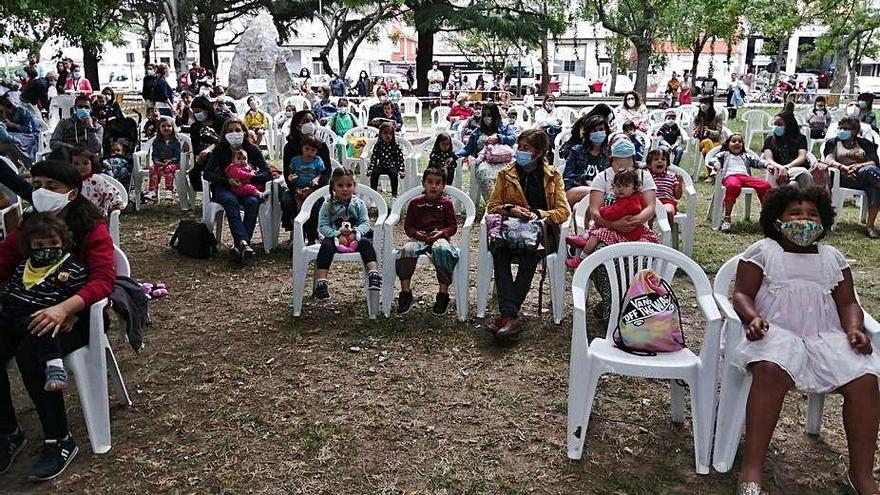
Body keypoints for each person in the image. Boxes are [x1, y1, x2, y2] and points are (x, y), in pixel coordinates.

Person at [729, 186, 880, 495]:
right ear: (777, 221)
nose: (804, 220)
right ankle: (752, 468)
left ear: (823, 222)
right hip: (775, 332)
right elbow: (742, 292)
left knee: (864, 379)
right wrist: (752, 316)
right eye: (795, 214)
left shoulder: (831, 258)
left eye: (812, 214)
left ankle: (861, 473)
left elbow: (848, 303)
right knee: (770, 370)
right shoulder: (763, 251)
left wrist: (854, 329)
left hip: (823, 337)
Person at [0, 160, 115, 481]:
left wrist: (66, 309)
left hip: (79, 318)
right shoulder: (29, 227)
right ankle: (8, 431)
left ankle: (59, 440)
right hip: (27, 311)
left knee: (29, 350)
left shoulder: (92, 228)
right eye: (36, 185)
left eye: (52, 187)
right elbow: (3, 262)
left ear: (72, 194)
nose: (42, 192)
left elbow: (104, 279)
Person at [484, 128, 570, 337]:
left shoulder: (553, 177)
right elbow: (493, 205)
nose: (520, 152)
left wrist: (537, 213)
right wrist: (510, 209)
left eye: (526, 148)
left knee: (530, 253)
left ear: (539, 152)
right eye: (519, 147)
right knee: (499, 250)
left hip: (540, 233)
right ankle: (511, 315)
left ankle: (507, 314)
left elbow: (563, 211)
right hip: (509, 231)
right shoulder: (506, 174)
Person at [0, 212, 89, 394]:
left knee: (43, 326)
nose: (46, 249)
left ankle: (55, 366)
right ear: (29, 245)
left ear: (63, 242)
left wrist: (74, 315)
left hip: (43, 313)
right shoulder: (24, 266)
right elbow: (12, 289)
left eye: (53, 243)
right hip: (13, 313)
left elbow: (80, 294)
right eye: (39, 245)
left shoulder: (71, 269)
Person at [203, 118, 271, 263]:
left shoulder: (252, 149)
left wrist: (250, 179)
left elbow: (267, 172)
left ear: (244, 132)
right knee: (230, 201)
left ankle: (240, 244)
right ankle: (243, 243)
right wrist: (226, 180)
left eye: (238, 130)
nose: (234, 134)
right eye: (230, 131)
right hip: (225, 187)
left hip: (247, 188)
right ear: (224, 134)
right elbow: (208, 173)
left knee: (253, 201)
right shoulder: (220, 150)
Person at [394, 167, 459, 315]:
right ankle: (405, 293)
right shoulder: (415, 203)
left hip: (440, 237)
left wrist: (442, 232)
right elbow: (408, 226)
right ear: (423, 183)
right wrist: (417, 234)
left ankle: (443, 294)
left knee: (443, 251)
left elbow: (452, 227)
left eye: (438, 183)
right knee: (406, 251)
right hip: (419, 237)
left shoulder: (447, 203)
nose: (434, 186)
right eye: (430, 182)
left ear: (443, 186)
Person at [313, 167, 383, 300]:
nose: (345, 189)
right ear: (333, 187)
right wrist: (337, 235)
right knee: (325, 247)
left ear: (354, 186)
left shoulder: (359, 204)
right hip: (335, 239)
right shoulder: (328, 205)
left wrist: (355, 233)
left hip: (355, 237)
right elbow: (323, 226)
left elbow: (365, 223)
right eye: (340, 185)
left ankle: (373, 274)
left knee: (366, 244)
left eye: (349, 185)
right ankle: (321, 281)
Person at [566, 168, 645, 268]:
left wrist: (603, 209)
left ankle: (582, 258)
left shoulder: (628, 203)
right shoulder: (632, 198)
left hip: (627, 235)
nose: (620, 189)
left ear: (634, 188)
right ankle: (585, 238)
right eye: (618, 186)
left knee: (598, 234)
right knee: (600, 223)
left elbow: (610, 214)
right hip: (624, 229)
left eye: (625, 186)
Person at [822, 116, 880, 238]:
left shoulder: (865, 143)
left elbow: (873, 162)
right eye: (841, 128)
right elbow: (828, 160)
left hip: (863, 177)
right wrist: (843, 167)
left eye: (846, 128)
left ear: (855, 130)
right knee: (872, 174)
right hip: (841, 177)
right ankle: (870, 227)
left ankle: (870, 226)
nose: (842, 131)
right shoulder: (833, 142)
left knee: (873, 183)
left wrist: (857, 166)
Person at [281, 111, 333, 241]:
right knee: (287, 201)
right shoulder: (290, 147)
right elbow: (288, 172)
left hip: (316, 187)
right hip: (296, 188)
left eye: (312, 120)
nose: (309, 124)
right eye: (305, 121)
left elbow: (326, 172)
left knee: (315, 203)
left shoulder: (321, 145)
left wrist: (314, 189)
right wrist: (295, 190)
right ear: (297, 125)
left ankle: (312, 236)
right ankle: (297, 234)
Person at [709, 133, 776, 233]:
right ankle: (727, 217)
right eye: (734, 141)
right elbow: (713, 158)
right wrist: (716, 163)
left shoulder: (746, 156)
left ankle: (767, 216)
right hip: (731, 177)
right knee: (733, 186)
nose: (737, 143)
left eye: (740, 142)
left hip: (745, 177)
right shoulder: (725, 154)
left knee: (765, 186)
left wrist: (767, 165)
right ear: (728, 145)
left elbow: (758, 161)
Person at [456, 102, 516, 202]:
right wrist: (454, 155)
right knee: (486, 175)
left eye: (490, 115)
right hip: (484, 161)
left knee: (509, 175)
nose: (487, 118)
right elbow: (467, 149)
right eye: (485, 115)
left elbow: (513, 138)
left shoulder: (504, 127)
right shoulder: (478, 131)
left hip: (504, 159)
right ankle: (494, 205)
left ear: (495, 115)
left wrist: (499, 138)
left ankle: (509, 204)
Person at [563, 115, 610, 205]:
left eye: (601, 129)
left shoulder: (609, 153)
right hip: (578, 190)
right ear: (588, 133)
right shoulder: (576, 151)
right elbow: (567, 178)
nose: (598, 133)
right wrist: (586, 181)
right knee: (594, 192)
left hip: (602, 194)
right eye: (594, 131)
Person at [762, 110, 813, 188]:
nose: (776, 127)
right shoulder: (769, 140)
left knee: (803, 173)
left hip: (795, 169)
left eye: (780, 124)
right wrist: (781, 168)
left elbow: (801, 157)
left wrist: (786, 167)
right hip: (777, 170)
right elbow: (769, 159)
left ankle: (808, 199)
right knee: (792, 184)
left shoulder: (800, 138)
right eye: (775, 124)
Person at [187, 96, 228, 191]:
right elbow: (195, 145)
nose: (197, 114)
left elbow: (224, 141)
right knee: (194, 173)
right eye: (195, 112)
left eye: (199, 111)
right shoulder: (195, 127)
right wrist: (198, 156)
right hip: (203, 158)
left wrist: (209, 149)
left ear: (207, 109)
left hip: (220, 155)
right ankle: (205, 192)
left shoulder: (221, 121)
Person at [70, 148, 124, 215]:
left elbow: (112, 193)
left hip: (96, 216)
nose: (81, 167)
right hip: (75, 216)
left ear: (92, 164)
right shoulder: (70, 180)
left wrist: (116, 205)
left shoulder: (96, 180)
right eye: (76, 164)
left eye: (85, 163)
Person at [147, 116, 185, 202]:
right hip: (160, 164)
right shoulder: (157, 142)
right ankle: (152, 190)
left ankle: (169, 189)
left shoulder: (176, 142)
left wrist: (171, 160)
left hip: (173, 164)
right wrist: (156, 161)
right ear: (159, 128)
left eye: (169, 126)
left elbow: (177, 155)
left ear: (173, 128)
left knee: (169, 168)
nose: (166, 128)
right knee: (153, 169)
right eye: (163, 126)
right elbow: (155, 154)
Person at [288, 135, 326, 210]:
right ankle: (299, 219)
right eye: (307, 149)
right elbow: (291, 172)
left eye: (313, 150)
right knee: (299, 206)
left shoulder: (317, 160)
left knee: (314, 204)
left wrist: (316, 179)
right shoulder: (296, 160)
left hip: (312, 188)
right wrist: (291, 177)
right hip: (298, 188)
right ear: (302, 148)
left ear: (316, 151)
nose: (309, 152)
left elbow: (320, 173)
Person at [646, 148, 682, 224]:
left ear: (667, 163)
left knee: (668, 212)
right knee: (648, 214)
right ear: (649, 164)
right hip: (651, 203)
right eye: (656, 159)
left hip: (667, 202)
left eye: (663, 159)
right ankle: (648, 234)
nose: (660, 161)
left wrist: (679, 184)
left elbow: (677, 196)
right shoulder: (648, 177)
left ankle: (668, 234)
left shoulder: (671, 177)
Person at [369, 122, 405, 197]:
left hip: (391, 166)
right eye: (385, 133)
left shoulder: (395, 146)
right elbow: (374, 157)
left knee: (393, 174)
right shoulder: (378, 145)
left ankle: (394, 195)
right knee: (374, 173)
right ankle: (373, 195)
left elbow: (400, 159)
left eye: (390, 134)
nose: (388, 136)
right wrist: (370, 168)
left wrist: (401, 170)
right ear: (381, 134)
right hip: (381, 165)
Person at [693, 95, 725, 176]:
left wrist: (709, 131)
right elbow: (694, 130)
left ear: (710, 104)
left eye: (706, 103)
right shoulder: (698, 117)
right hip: (702, 141)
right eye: (701, 103)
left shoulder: (717, 116)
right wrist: (695, 132)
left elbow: (718, 133)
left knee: (705, 150)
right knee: (707, 142)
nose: (703, 105)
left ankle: (711, 174)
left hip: (716, 141)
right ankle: (713, 171)